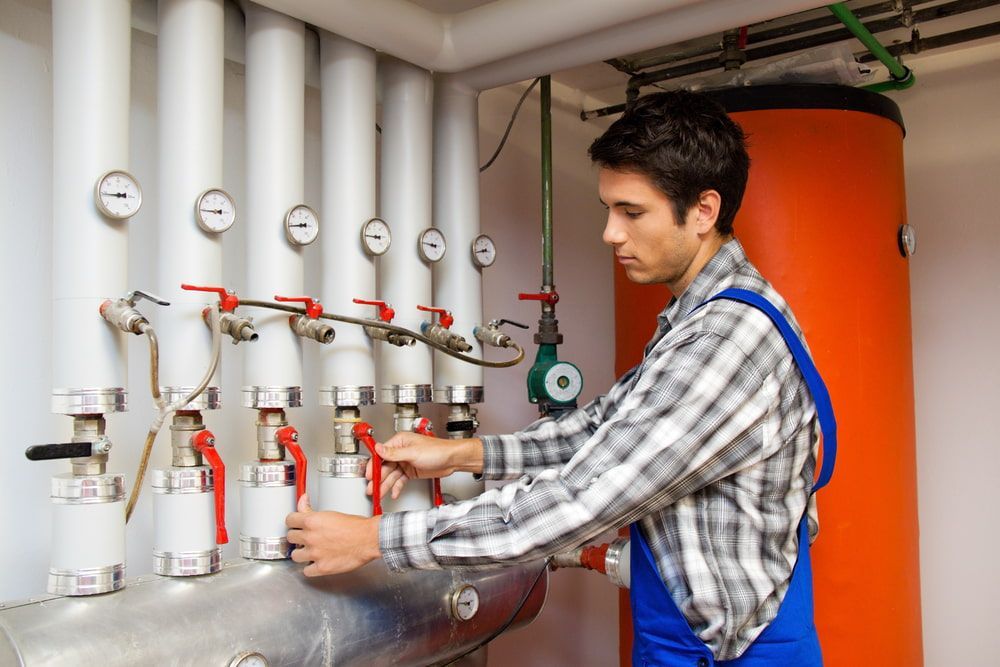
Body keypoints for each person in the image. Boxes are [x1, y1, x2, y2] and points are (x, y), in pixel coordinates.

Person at [286, 90, 834, 666]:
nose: (610, 233)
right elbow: (601, 428)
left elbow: (583, 499)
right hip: (689, 641)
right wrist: (460, 454)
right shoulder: (700, 317)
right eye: (609, 209)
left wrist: (375, 539)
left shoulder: (725, 340)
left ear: (703, 210)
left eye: (631, 211)